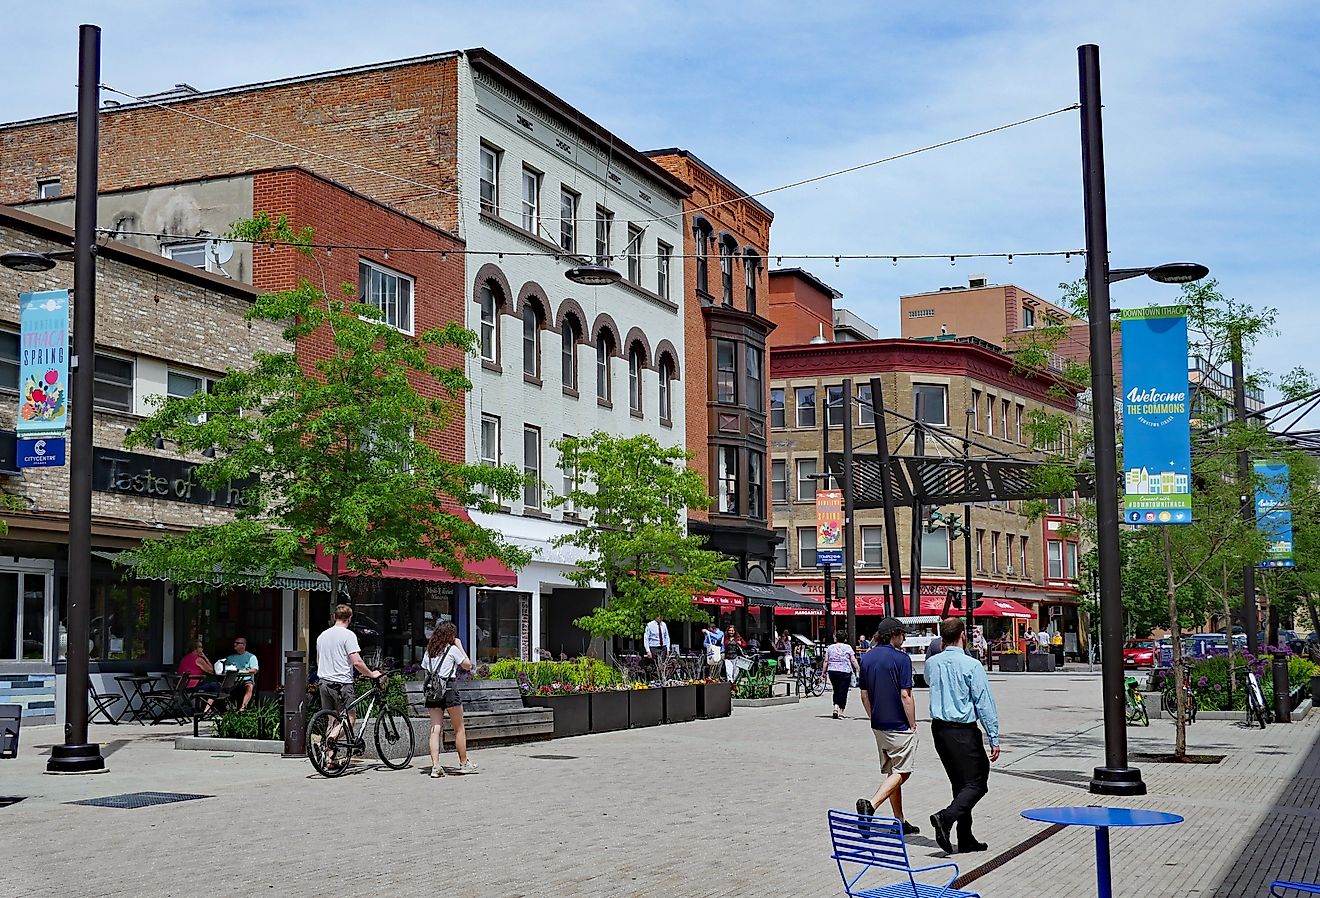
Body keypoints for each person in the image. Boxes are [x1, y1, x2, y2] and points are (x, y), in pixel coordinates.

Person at [926, 618, 1000, 855]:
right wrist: (993, 736)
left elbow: (930, 683)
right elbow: (983, 702)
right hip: (963, 731)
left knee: (960, 783)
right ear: (963, 634)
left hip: (939, 730)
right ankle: (945, 819)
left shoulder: (932, 663)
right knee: (977, 783)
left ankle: (965, 837)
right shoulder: (972, 665)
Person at [857, 617, 920, 835]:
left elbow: (864, 695)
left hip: (878, 724)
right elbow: (906, 695)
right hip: (898, 724)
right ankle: (871, 805)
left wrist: (872, 716)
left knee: (892, 772)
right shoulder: (902, 659)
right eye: (902, 633)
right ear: (894, 634)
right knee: (904, 771)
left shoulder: (867, 658)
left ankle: (899, 820)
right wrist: (912, 723)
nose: (904, 638)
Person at [315, 604, 387, 767]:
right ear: (350, 618)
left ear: (335, 617)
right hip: (342, 683)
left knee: (332, 720)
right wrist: (371, 673)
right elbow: (356, 661)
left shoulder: (322, 636)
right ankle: (329, 741)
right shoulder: (348, 636)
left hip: (324, 682)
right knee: (350, 719)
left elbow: (319, 660)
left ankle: (330, 759)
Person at [422, 621, 477, 778]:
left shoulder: (429, 651)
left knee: (435, 729)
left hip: (433, 691)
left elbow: (425, 669)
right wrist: (459, 645)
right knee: (459, 728)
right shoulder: (452, 649)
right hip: (449, 689)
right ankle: (464, 763)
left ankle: (435, 766)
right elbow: (468, 665)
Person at [825, 630, 860, 719]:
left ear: (836, 638)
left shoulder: (830, 647)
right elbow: (853, 660)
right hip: (845, 671)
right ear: (845, 639)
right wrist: (858, 668)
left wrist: (823, 672)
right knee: (843, 691)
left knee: (836, 689)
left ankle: (835, 706)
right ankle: (841, 710)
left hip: (832, 670)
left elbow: (826, 660)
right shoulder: (848, 647)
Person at [223, 636, 259, 710]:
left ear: (244, 645)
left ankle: (243, 708)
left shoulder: (251, 657)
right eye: (234, 643)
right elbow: (225, 669)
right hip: (233, 680)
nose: (234, 644)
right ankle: (228, 708)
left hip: (246, 679)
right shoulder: (230, 658)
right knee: (222, 687)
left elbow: (254, 670)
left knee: (249, 687)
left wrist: (242, 671)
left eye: (237, 643)